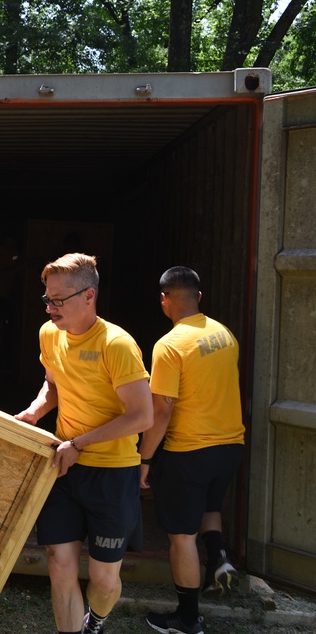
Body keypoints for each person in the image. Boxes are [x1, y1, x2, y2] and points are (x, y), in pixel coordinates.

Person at [15, 253, 153, 634]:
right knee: (60, 566)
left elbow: (142, 416)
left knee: (105, 581)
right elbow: (53, 384)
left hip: (111, 473)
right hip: (65, 467)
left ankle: (96, 622)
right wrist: (34, 411)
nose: (49, 307)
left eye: (58, 299)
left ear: (88, 296)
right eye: (47, 298)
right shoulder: (49, 334)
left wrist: (78, 442)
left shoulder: (117, 344)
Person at [140, 266, 246, 634]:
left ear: (164, 300)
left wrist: (145, 458)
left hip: (189, 452)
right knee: (209, 507)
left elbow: (162, 408)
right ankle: (218, 557)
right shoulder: (225, 334)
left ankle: (187, 619)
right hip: (231, 446)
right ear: (199, 297)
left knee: (181, 536)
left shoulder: (169, 346)